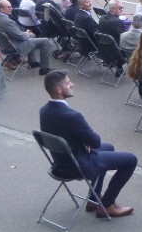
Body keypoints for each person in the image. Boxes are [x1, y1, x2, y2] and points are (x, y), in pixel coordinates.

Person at [39, 71, 136, 218]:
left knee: (108, 148)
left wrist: (83, 142)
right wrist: (86, 142)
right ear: (59, 90)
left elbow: (61, 134)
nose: (72, 84)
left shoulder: (44, 111)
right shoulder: (72, 116)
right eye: (68, 83)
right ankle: (107, 205)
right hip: (76, 166)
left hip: (60, 163)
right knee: (131, 160)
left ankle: (93, 199)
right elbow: (95, 141)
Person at [0, 0, 52, 75]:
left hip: (6, 44)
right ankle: (44, 69)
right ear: (1, 9)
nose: (11, 8)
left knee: (32, 35)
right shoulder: (6, 21)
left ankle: (32, 62)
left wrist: (26, 34)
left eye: (11, 6)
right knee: (45, 41)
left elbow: (14, 33)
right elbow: (21, 37)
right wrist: (27, 34)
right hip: (15, 46)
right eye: (9, 7)